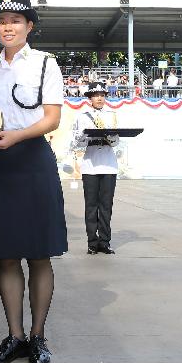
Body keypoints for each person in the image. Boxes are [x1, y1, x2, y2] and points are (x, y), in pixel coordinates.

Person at [0, 0, 66, 363]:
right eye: (1, 21)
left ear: (29, 26)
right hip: (0, 164)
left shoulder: (45, 65)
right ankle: (15, 336)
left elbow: (51, 118)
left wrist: (16, 136)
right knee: (6, 255)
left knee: (39, 254)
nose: (7, 27)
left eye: (15, 20)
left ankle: (39, 337)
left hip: (33, 161)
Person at [69, 82, 120, 255]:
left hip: (108, 165)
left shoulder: (111, 115)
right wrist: (86, 137)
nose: (100, 98)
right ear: (90, 98)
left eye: (102, 95)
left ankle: (104, 242)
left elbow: (117, 141)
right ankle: (92, 242)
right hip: (90, 165)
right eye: (96, 95)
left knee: (106, 206)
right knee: (91, 206)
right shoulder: (82, 116)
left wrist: (111, 137)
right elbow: (75, 141)